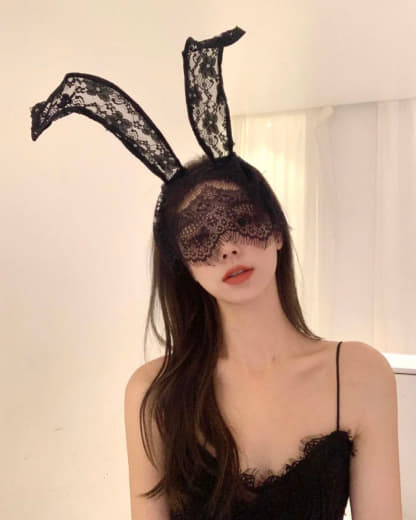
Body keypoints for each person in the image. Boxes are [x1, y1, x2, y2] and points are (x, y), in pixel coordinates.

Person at [30, 26, 403, 520]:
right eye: (200, 235)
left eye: (242, 220)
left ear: (277, 231)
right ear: (182, 264)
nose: (228, 246)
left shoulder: (357, 373)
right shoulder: (154, 394)